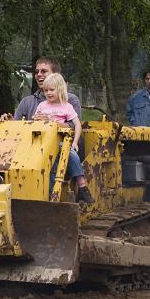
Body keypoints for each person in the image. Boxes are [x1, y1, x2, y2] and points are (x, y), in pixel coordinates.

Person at [36, 73, 94, 204]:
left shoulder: (66, 106)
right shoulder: (41, 106)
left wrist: (74, 142)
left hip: (61, 142)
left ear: (60, 89)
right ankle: (47, 195)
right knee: (48, 167)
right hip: (43, 143)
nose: (48, 93)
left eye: (52, 90)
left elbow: (77, 124)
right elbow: (34, 123)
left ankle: (82, 186)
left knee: (70, 154)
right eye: (46, 90)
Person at [0, 56, 82, 124]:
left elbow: (74, 127)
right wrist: (10, 123)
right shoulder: (27, 102)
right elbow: (17, 130)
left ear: (56, 75)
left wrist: (51, 123)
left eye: (43, 71)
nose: (39, 74)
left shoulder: (70, 99)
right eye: (37, 72)